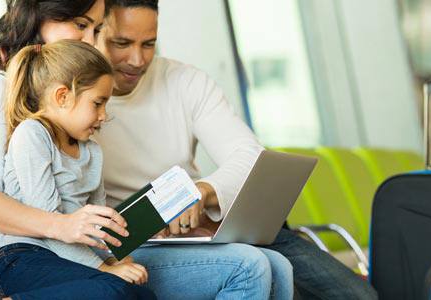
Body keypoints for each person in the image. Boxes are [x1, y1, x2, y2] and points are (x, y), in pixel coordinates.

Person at [0, 0, 289, 299]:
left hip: (99, 243)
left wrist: (162, 219)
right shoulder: (10, 101)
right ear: (39, 18)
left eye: (97, 29)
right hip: (37, 251)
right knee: (243, 267)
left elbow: (94, 209)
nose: (92, 41)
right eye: (81, 25)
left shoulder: (86, 133)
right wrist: (66, 228)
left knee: (277, 266)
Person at [93, 1, 377, 299]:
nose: (137, 59)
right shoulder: (78, 101)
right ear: (94, 33)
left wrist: (204, 192)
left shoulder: (184, 81)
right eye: (121, 43)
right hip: (145, 241)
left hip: (211, 226)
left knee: (359, 296)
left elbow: (250, 155)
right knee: (261, 268)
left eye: (148, 44)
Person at [0, 39, 153, 299]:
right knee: (114, 289)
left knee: (138, 293)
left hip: (68, 259)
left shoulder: (92, 151)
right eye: (97, 103)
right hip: (21, 259)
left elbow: (100, 231)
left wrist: (119, 260)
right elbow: (51, 227)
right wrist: (106, 270)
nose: (104, 115)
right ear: (62, 96)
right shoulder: (33, 134)